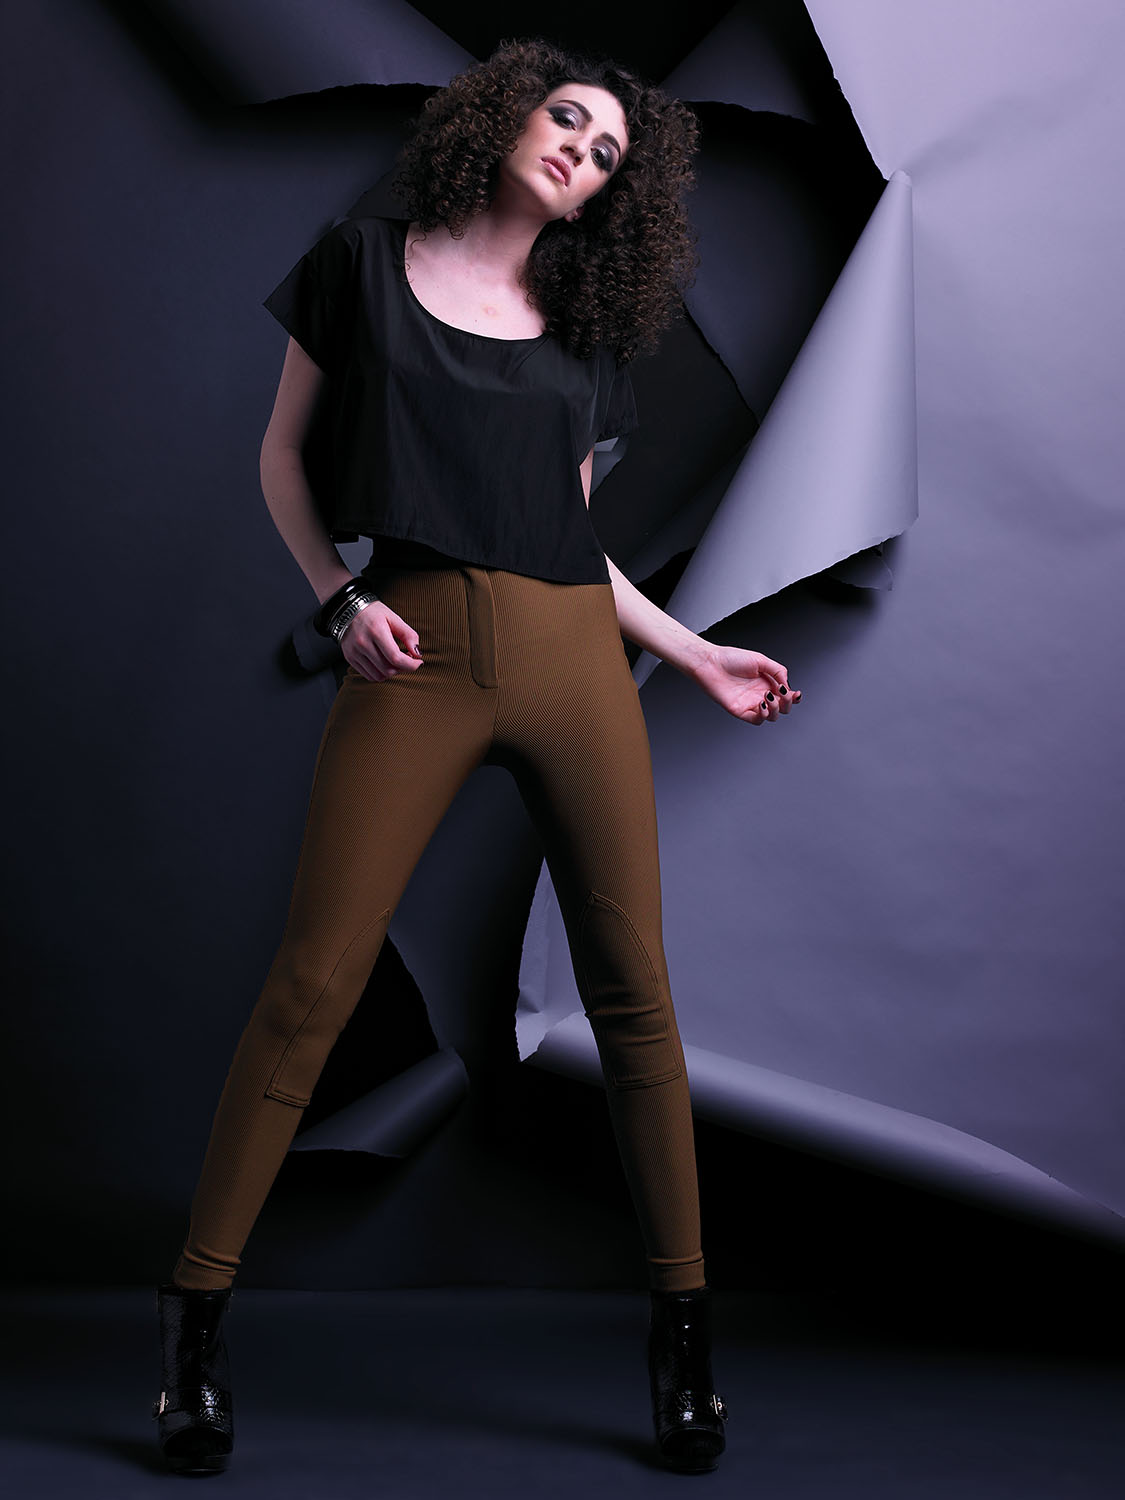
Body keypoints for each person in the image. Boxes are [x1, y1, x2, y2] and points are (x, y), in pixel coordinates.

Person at [152, 37, 801, 1479]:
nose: (582, 146)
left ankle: (681, 1340)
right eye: (567, 117)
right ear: (505, 117)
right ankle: (193, 1324)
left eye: (609, 154)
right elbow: (280, 459)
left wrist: (690, 652)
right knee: (312, 985)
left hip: (576, 658)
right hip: (419, 643)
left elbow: (577, 538)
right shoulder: (360, 266)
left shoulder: (581, 329)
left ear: (599, 204)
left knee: (633, 995)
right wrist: (336, 596)